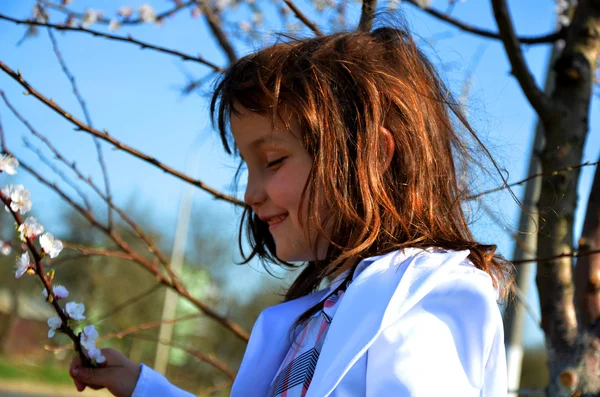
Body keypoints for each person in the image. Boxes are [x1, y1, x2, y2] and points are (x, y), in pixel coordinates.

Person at [69, 25, 513, 397]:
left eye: (274, 161)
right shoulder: (321, 312)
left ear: (374, 154)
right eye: (247, 166)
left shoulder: (425, 294)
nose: (250, 194)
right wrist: (144, 387)